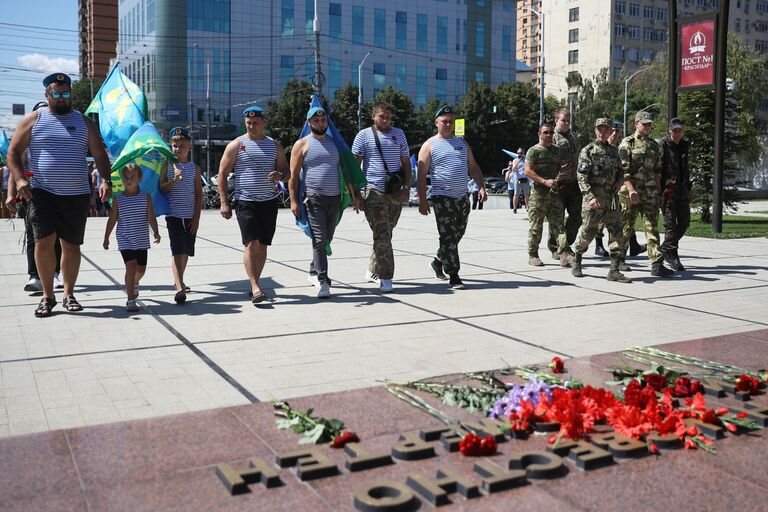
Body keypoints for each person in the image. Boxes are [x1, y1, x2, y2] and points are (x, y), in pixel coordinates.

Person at [7, 73, 112, 317]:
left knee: (71, 245)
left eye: (66, 94)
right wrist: (20, 179)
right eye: (57, 94)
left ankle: (68, 294)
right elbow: (13, 153)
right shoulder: (33, 120)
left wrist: (105, 180)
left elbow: (99, 154)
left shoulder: (84, 122)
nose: (63, 99)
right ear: (47, 95)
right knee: (44, 242)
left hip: (76, 195)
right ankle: (47, 296)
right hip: (43, 193)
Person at [289, 107, 362, 299]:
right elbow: (294, 177)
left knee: (326, 238)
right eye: (316, 120)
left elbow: (345, 170)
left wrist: (353, 196)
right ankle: (323, 280)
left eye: (323, 120)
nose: (320, 123)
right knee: (320, 239)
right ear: (309, 123)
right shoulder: (301, 145)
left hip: (335, 198)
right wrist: (294, 201)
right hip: (314, 199)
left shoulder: (335, 144)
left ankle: (314, 269)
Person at [218, 106, 289, 304]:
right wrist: (224, 202)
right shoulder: (236, 144)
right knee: (251, 244)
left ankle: (254, 283)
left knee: (263, 245)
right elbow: (222, 173)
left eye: (255, 122)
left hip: (268, 202)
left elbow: (287, 171)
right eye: (248, 123)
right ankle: (256, 287)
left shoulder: (274, 145)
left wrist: (280, 176)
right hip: (245, 201)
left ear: (264, 122)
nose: (251, 126)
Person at [417, 105, 486, 289]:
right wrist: (423, 200)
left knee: (457, 234)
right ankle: (453, 274)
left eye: (451, 121)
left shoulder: (462, 143)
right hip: (442, 197)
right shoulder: (430, 144)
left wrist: (481, 187)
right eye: (444, 121)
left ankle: (438, 261)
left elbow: (473, 167)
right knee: (447, 236)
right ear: (436, 123)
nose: (448, 124)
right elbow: (421, 174)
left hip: (462, 197)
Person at [351, 101, 411, 293]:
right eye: (381, 116)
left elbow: (406, 162)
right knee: (382, 235)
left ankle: (372, 270)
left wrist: (407, 187)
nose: (385, 120)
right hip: (373, 191)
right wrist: (356, 194)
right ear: (373, 116)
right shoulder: (364, 136)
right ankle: (386, 278)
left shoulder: (399, 134)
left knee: (386, 233)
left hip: (394, 191)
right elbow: (354, 166)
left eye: (388, 117)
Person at [5, 100, 63, 293]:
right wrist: (11, 194)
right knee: (33, 237)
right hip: (31, 196)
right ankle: (34, 276)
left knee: (55, 237)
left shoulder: (54, 138)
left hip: (56, 195)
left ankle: (54, 274)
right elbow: (15, 170)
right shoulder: (24, 141)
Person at [571, 118, 630, 283]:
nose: (602, 132)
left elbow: (621, 171)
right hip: (594, 199)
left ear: (610, 130)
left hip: (611, 199)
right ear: (595, 130)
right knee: (588, 232)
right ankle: (577, 259)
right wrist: (589, 197)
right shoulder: (588, 150)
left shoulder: (614, 151)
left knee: (617, 231)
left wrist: (619, 182)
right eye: (599, 129)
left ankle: (614, 270)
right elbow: (582, 177)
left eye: (605, 129)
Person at [617, 111, 674, 277]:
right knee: (626, 227)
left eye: (649, 124)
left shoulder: (654, 145)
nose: (648, 126)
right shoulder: (627, 143)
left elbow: (658, 170)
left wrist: (657, 191)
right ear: (636, 124)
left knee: (652, 226)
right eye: (644, 124)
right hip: (630, 193)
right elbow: (623, 171)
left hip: (649, 192)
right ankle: (619, 258)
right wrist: (631, 189)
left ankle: (657, 263)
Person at [103, 163, 161, 312]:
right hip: (125, 237)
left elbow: (150, 217)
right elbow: (112, 219)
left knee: (141, 269)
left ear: (139, 179)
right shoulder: (118, 198)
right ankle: (130, 299)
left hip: (141, 237)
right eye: (126, 177)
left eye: (132, 177)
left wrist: (156, 232)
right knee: (131, 265)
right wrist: (106, 237)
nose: (129, 180)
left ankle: (134, 282)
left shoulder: (145, 197)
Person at [159, 126, 202, 304]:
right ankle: (178, 288)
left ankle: (180, 280)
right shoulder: (167, 166)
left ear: (189, 147)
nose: (178, 149)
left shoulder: (194, 169)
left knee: (185, 251)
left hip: (190, 215)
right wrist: (174, 181)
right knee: (177, 251)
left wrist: (197, 218)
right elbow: (161, 188)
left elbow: (199, 194)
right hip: (174, 215)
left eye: (182, 145)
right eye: (175, 145)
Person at [524, 121, 565, 267]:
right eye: (545, 132)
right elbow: (527, 171)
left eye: (551, 132)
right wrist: (544, 181)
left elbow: (559, 167)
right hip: (538, 195)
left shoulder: (556, 150)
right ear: (539, 134)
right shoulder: (533, 151)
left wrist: (558, 177)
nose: (548, 135)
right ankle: (533, 255)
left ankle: (563, 253)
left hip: (554, 194)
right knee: (536, 226)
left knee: (559, 226)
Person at [609, 120, 647, 258]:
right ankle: (600, 245)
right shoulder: (602, 147)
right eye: (612, 131)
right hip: (606, 189)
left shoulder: (620, 146)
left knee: (625, 220)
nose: (614, 134)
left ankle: (632, 246)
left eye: (617, 131)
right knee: (603, 222)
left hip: (619, 188)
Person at [659, 117, 691, 271]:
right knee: (670, 226)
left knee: (684, 222)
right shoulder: (663, 146)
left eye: (680, 130)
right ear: (669, 130)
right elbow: (657, 169)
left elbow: (686, 168)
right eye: (675, 130)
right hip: (668, 191)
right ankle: (673, 255)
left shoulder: (684, 145)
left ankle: (665, 247)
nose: (678, 133)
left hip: (682, 190)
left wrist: (689, 188)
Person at [551, 108, 581, 267]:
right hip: (559, 183)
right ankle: (559, 248)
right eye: (563, 120)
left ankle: (564, 244)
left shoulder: (572, 138)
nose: (566, 123)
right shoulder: (552, 137)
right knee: (557, 218)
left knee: (577, 217)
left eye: (568, 121)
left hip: (574, 182)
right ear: (557, 120)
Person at [505, 148, 529, 213]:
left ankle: (527, 207)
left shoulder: (527, 159)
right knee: (516, 194)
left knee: (526, 194)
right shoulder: (515, 160)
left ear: (524, 153)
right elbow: (513, 170)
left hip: (525, 179)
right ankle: (515, 208)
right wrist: (518, 161)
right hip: (517, 179)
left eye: (521, 153)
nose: (519, 154)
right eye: (518, 153)